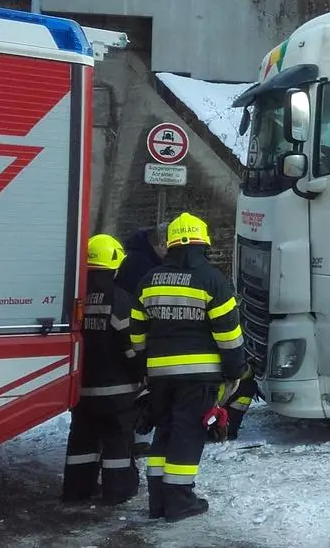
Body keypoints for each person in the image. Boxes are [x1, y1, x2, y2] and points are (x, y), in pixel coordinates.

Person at [129, 212, 246, 522]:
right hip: (198, 377)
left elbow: (136, 331)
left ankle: (158, 502)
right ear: (201, 242)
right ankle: (180, 502)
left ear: (170, 244)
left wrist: (143, 366)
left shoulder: (148, 281)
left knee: (164, 432)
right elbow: (228, 335)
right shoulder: (212, 281)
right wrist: (236, 370)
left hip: (160, 377)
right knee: (187, 435)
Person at [61, 234, 143, 505]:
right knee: (118, 441)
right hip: (117, 391)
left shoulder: (72, 297)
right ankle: (118, 491)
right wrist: (140, 374)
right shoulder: (121, 300)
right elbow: (131, 347)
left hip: (79, 388)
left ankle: (76, 490)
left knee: (81, 441)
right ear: (115, 264)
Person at [115, 222, 169, 457]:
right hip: (129, 335)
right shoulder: (141, 265)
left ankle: (130, 439)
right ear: (161, 244)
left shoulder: (143, 257)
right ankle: (126, 441)